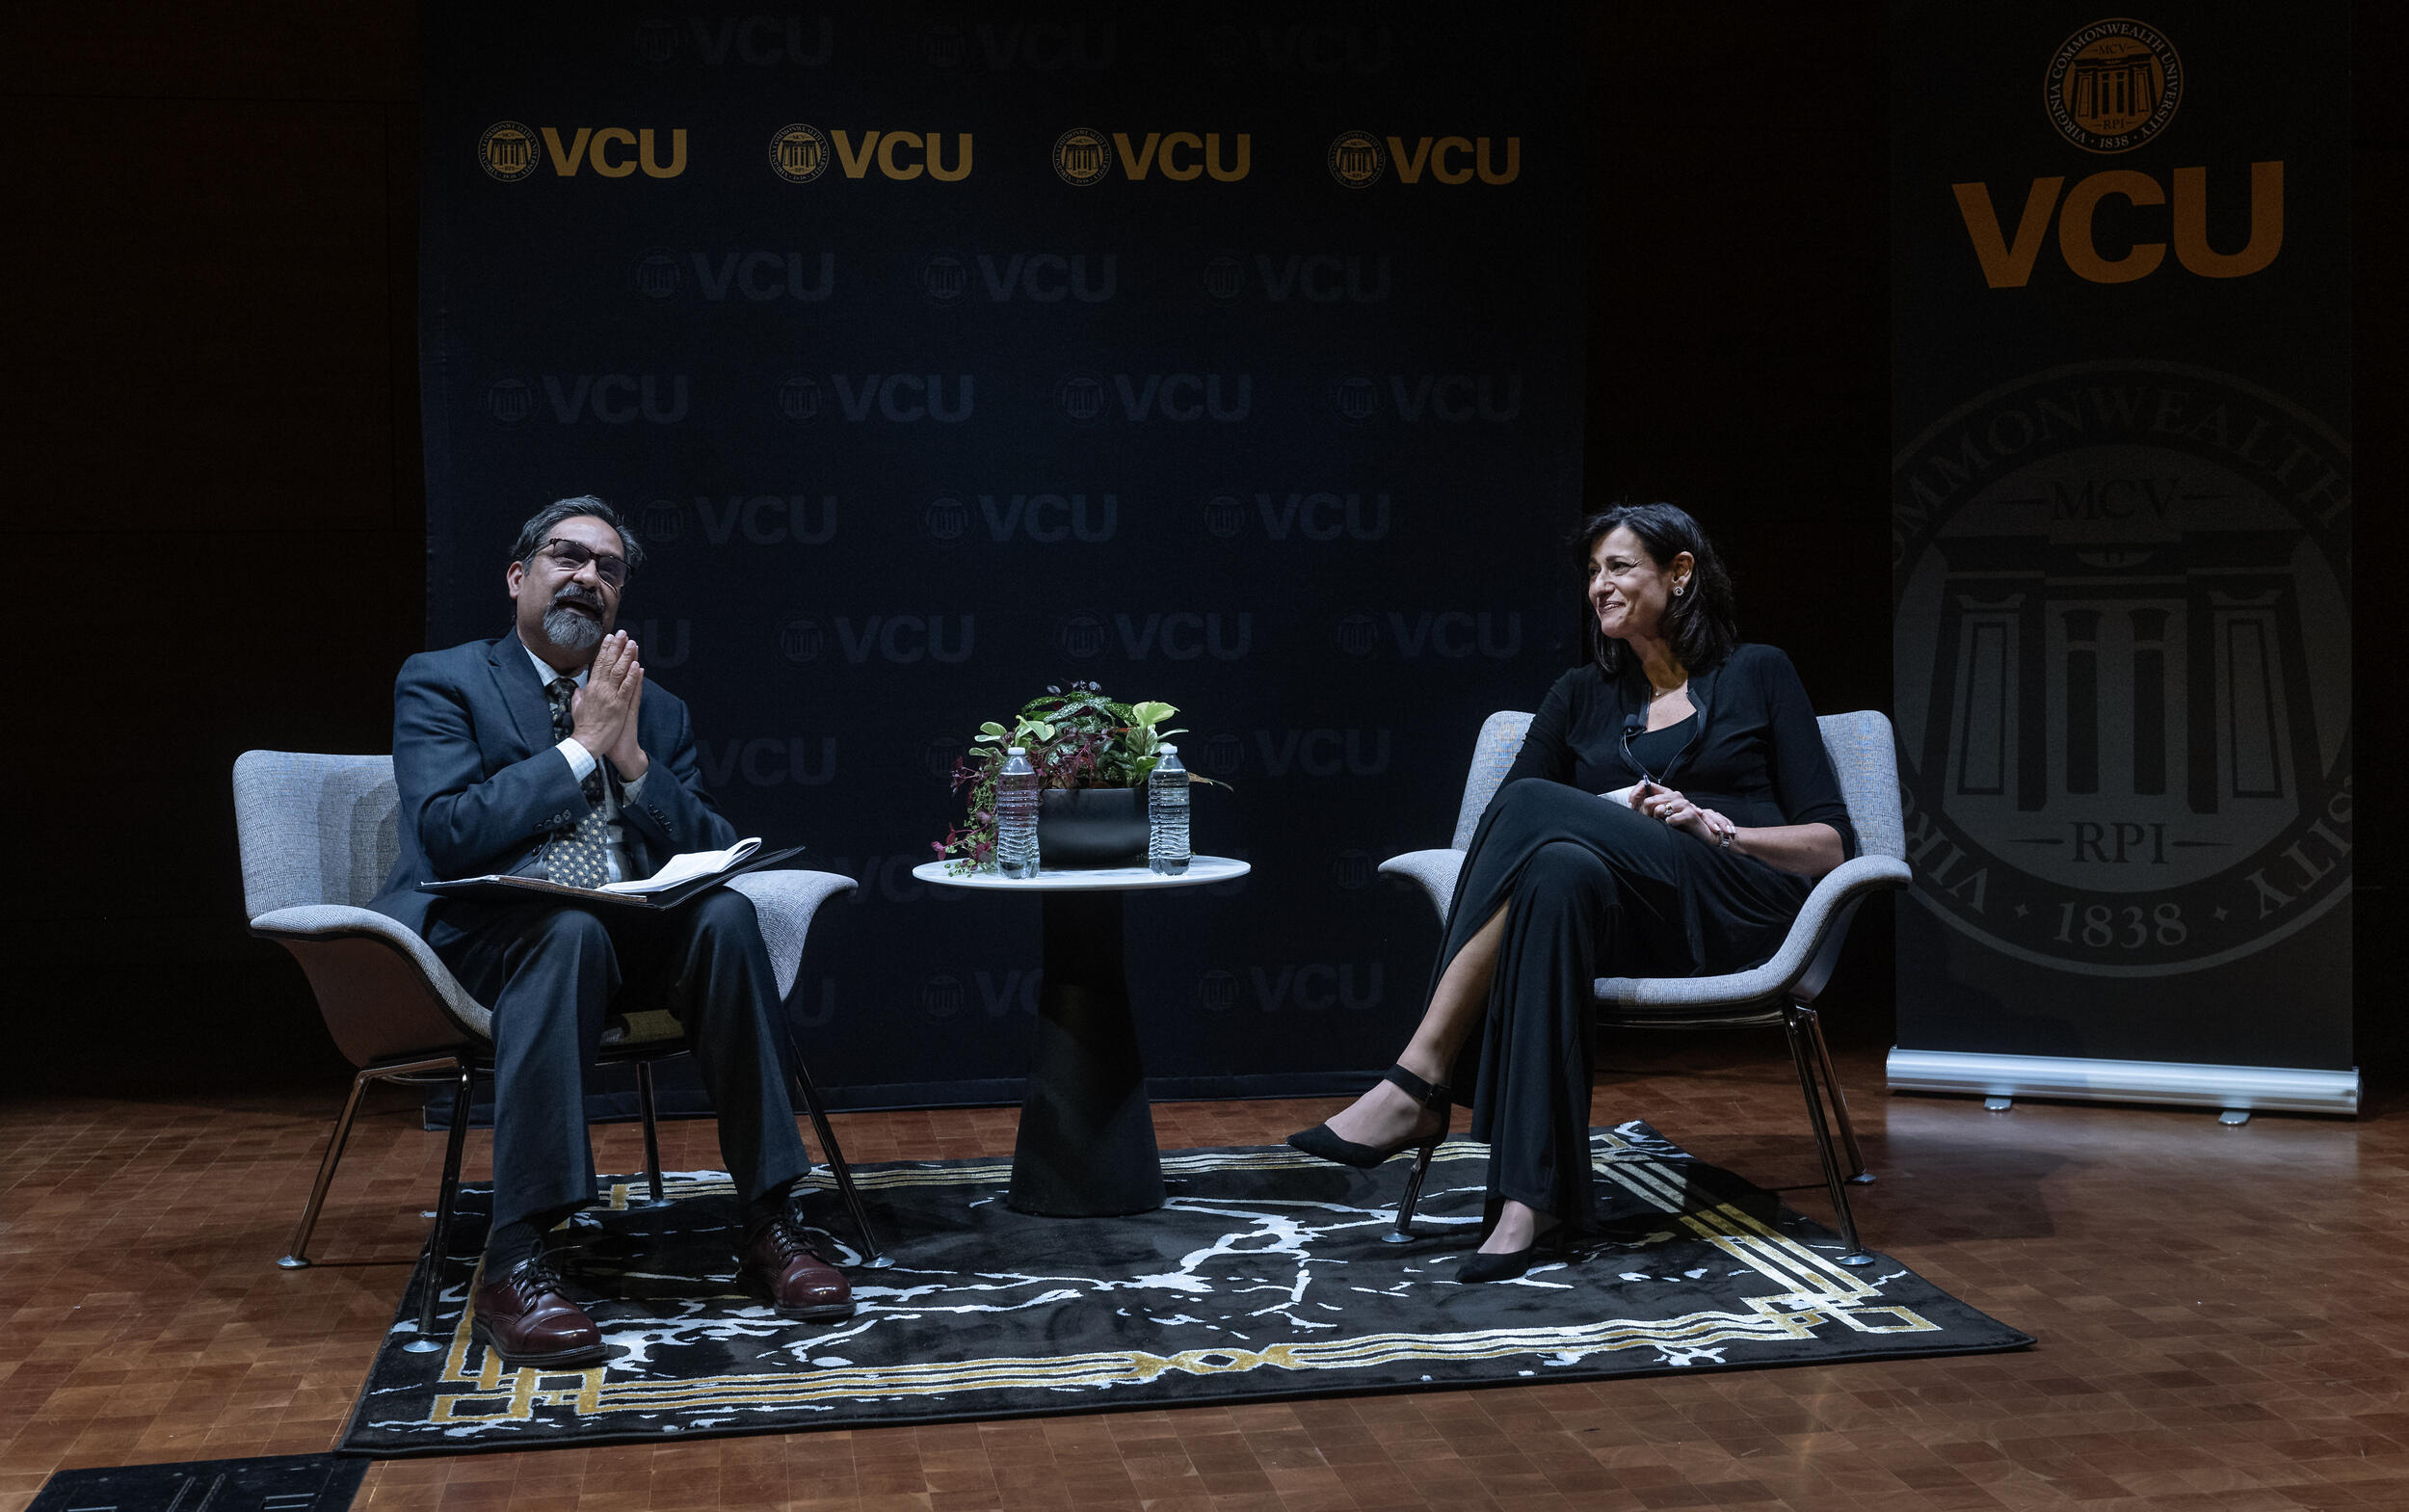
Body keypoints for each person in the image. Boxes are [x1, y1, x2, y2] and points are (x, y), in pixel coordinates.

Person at [1288, 503, 1854, 1282]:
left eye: (1618, 566)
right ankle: (1533, 1203)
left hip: (1737, 903)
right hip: (1625, 917)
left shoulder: (1759, 672)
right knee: (1556, 869)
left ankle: (1421, 1075)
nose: (1598, 585)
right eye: (1592, 571)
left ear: (1679, 573)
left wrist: (1719, 829)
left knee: (1535, 810)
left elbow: (1830, 843)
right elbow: (1500, 825)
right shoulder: (1581, 693)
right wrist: (1613, 814)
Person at [369, 496, 850, 1366]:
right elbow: (446, 832)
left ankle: (770, 1221)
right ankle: (517, 1257)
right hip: (490, 938)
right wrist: (579, 750)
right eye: (567, 556)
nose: (588, 577)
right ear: (518, 576)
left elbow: (713, 846)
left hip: (628, 933)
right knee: (567, 931)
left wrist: (631, 761)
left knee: (726, 917)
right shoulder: (444, 679)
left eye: (609, 569)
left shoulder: (653, 707)